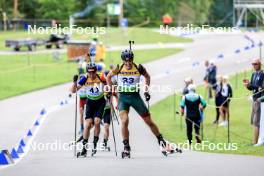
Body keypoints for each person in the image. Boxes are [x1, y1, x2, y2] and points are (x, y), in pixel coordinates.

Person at [106, 49, 171, 157]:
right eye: (125, 61)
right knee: (124, 121)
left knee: (148, 121)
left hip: (135, 97)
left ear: (132, 59)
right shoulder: (119, 68)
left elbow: (147, 77)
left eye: (130, 60)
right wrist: (111, 90)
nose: (128, 63)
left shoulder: (139, 68)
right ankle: (126, 147)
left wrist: (146, 91)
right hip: (123, 98)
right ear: (123, 60)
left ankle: (161, 139)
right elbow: (108, 77)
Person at [71, 62, 106, 157]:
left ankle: (95, 142)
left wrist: (109, 91)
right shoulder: (85, 78)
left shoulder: (101, 77)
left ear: (96, 71)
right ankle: (84, 149)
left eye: (93, 72)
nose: (91, 74)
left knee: (97, 121)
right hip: (90, 102)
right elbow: (73, 91)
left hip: (100, 102)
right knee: (87, 125)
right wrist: (74, 82)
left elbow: (108, 86)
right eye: (89, 72)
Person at [244, 59, 264, 145]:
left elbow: (261, 88)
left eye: (255, 64)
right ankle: (255, 141)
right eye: (253, 64)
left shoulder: (262, 74)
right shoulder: (253, 74)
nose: (254, 65)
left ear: (260, 64)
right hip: (254, 99)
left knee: (257, 121)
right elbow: (253, 87)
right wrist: (248, 86)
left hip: (260, 100)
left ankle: (256, 142)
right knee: (253, 120)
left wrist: (252, 85)